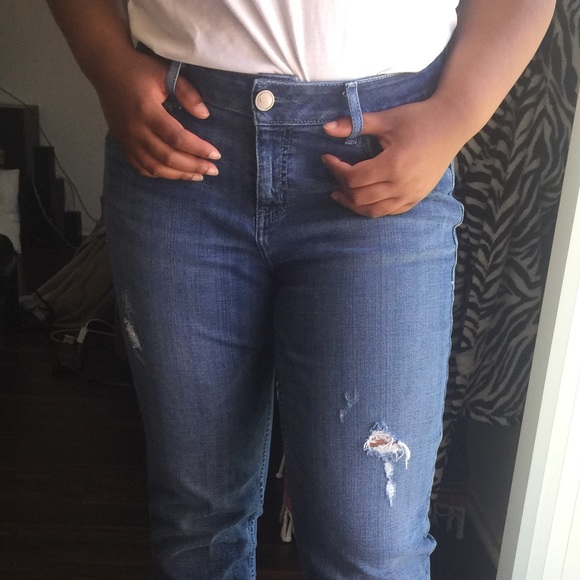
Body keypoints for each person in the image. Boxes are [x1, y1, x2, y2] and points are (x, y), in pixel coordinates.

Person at [47, 1, 555, 578]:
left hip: (383, 146)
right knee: (196, 522)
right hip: (181, 143)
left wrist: (455, 115)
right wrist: (107, 61)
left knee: (373, 547)